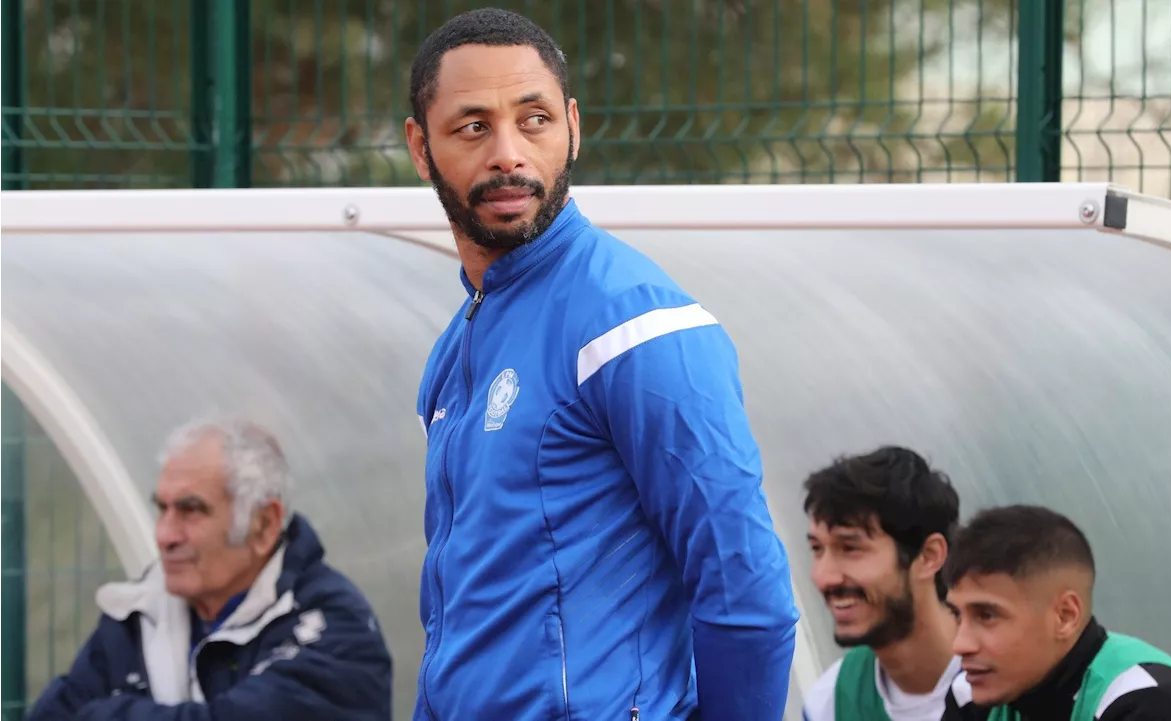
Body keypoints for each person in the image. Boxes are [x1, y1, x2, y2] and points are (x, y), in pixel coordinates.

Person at [403, 7, 799, 721]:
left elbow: (746, 594)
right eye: (472, 127)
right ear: (419, 147)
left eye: (534, 120)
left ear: (573, 126)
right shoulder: (453, 348)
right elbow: (461, 613)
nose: (509, 154)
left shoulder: (635, 322)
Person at [26, 418, 393, 721]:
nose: (164, 535)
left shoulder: (334, 629)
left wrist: (102, 715)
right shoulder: (141, 615)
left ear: (263, 524)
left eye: (191, 510)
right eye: (162, 509)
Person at [944, 504, 1171, 720]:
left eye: (987, 615)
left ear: (1065, 616)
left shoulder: (1149, 703)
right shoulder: (973, 695)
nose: (960, 644)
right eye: (958, 615)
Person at [800, 446, 985, 721]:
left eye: (851, 548)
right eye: (817, 549)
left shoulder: (1010, 687)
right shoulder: (830, 703)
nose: (825, 577)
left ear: (928, 556)